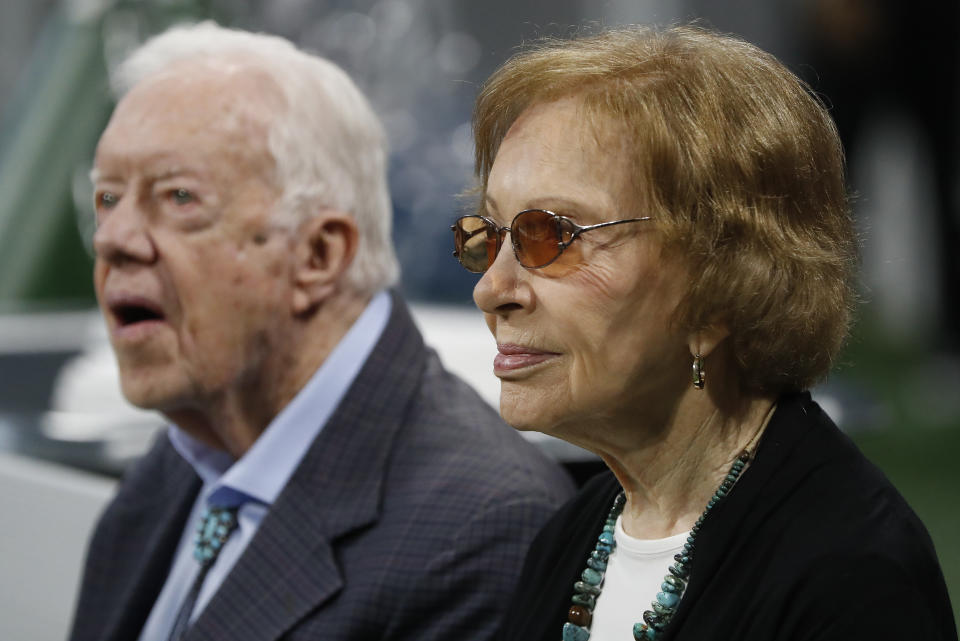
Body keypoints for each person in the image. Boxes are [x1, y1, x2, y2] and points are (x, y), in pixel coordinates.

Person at [69, 21, 574, 641]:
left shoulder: (483, 533)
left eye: (177, 197)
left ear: (319, 254)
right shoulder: (181, 462)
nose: (113, 240)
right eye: (107, 199)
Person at [450, 25, 958, 641]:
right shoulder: (572, 537)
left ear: (720, 286)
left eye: (550, 236)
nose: (491, 290)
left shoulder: (849, 581)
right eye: (491, 235)